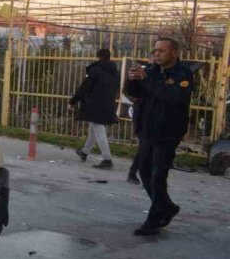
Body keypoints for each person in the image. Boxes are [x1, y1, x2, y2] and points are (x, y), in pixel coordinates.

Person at [123, 37, 194, 236]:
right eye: (155, 50)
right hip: (147, 129)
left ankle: (153, 221)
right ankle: (167, 206)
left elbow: (173, 97)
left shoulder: (183, 74)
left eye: (162, 51)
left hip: (168, 132)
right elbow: (134, 93)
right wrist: (132, 79)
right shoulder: (152, 71)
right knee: (144, 172)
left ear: (174, 53)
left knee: (158, 176)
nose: (157, 54)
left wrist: (146, 79)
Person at [70, 48, 120, 169]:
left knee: (98, 129)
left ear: (98, 57)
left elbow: (85, 87)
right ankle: (84, 152)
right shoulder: (116, 72)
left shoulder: (95, 70)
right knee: (94, 128)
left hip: (94, 104)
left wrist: (73, 101)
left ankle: (107, 159)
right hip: (108, 104)